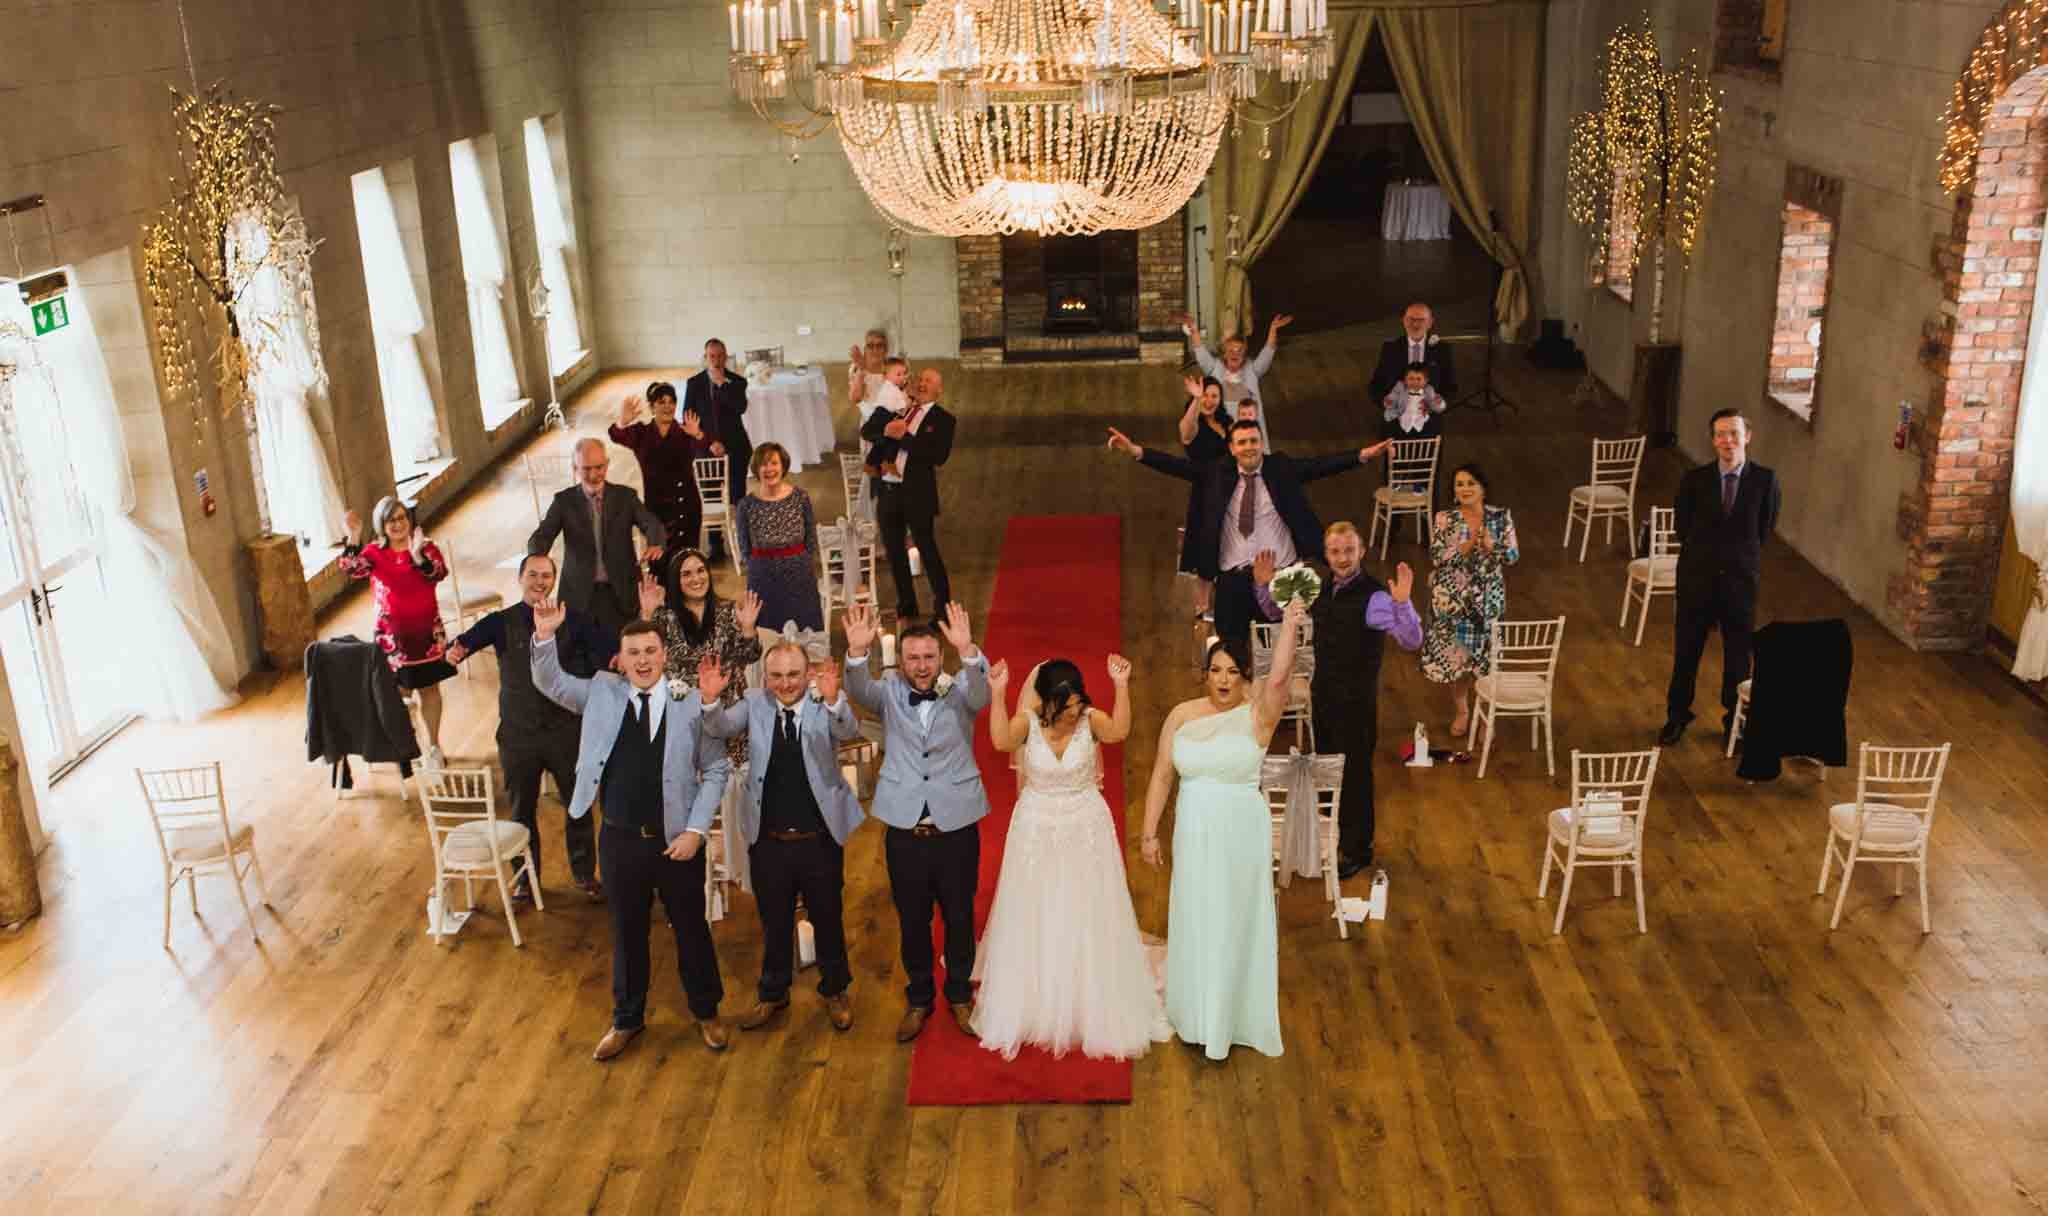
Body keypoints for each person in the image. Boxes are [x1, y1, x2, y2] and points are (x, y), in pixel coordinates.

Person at [532, 606, 731, 1059]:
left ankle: (707, 1012)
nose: (643, 660)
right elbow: (553, 683)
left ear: (664, 656)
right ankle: (627, 1020)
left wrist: (697, 831)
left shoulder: (689, 702)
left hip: (676, 841)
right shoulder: (602, 692)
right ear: (619, 659)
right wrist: (544, 639)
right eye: (633, 652)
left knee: (691, 931)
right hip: (620, 840)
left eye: (650, 651)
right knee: (626, 932)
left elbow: (717, 769)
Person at [973, 654, 1170, 1061]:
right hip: (1036, 828)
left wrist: (1121, 685)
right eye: (1064, 705)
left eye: (1077, 702)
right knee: (1039, 908)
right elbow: (999, 741)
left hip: (1085, 827)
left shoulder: (1090, 721)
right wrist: (997, 694)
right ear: (1044, 701)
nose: (1072, 712)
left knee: (1086, 907)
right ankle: (1037, 998)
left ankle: (1090, 997)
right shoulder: (1027, 723)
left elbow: (1120, 732)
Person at [1139, 601, 1307, 1060]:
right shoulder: (1181, 715)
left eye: (1234, 671)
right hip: (1193, 831)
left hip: (1240, 833)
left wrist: (1290, 626)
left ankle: (1232, 1016)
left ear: (1245, 676)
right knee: (1197, 914)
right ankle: (1196, 1012)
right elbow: (1160, 775)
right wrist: (1149, 832)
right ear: (1206, 673)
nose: (1224, 679)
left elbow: (1279, 678)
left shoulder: (1260, 714)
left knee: (1234, 918)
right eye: (1216, 670)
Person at [841, 601, 990, 1043]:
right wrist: (855, 653)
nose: (921, 666)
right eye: (913, 659)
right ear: (901, 660)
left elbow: (981, 695)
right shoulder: (887, 691)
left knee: (960, 916)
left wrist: (969, 651)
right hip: (905, 829)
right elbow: (858, 689)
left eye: (928, 657)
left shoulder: (961, 689)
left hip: (957, 826)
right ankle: (920, 997)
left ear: (939, 658)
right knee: (911, 919)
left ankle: (960, 994)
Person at [1107, 418, 1389, 643]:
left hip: (1284, 577)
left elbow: (1321, 465)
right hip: (1233, 581)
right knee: (1232, 651)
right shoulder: (1217, 472)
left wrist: (1362, 455)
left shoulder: (1280, 467)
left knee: (1283, 650)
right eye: (1242, 442)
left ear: (1262, 442)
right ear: (1231, 448)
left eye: (1254, 441)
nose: (1249, 447)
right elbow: (1178, 467)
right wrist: (1136, 452)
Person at [701, 645, 864, 1034]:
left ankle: (835, 989)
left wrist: (834, 700)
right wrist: (709, 700)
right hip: (769, 839)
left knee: (827, 917)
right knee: (773, 921)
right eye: (777, 675)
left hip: (818, 837)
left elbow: (850, 730)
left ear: (807, 674)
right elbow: (719, 727)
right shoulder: (754, 702)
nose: (785, 683)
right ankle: (773, 993)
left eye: (793, 675)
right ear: (765, 677)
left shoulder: (822, 701)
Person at [1252, 522, 1422, 875]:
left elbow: (1411, 640)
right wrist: (1264, 585)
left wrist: (1403, 606)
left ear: (1361, 552)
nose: (1342, 558)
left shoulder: (1374, 597)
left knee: (1356, 776)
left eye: (1348, 550)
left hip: (1357, 704)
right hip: (1324, 697)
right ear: (1326, 555)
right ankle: (1331, 838)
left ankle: (1357, 850)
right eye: (1334, 551)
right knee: (1326, 769)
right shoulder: (1322, 588)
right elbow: (1278, 614)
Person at [446, 553, 618, 902]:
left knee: (579, 805)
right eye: (533, 575)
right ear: (520, 578)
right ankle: (525, 879)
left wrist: (617, 659)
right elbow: (465, 642)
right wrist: (455, 649)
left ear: (554, 579)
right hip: (518, 735)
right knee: (521, 811)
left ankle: (584, 874)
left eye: (547, 575)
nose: (540, 581)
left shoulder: (576, 620)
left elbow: (610, 652)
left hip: (566, 732)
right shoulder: (500, 622)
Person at [1661, 408, 1782, 746]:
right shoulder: (1694, 480)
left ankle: (1735, 721)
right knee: (1686, 652)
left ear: (1748, 436)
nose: (1727, 440)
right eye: (1720, 434)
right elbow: (1682, 529)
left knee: (1738, 656)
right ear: (1713, 440)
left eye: (1734, 433)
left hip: (1739, 582)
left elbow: (1764, 529)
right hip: (1697, 580)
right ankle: (1676, 716)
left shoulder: (1765, 480)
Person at [339, 496, 456, 767]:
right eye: (391, 519)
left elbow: (438, 573)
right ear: (381, 524)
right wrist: (354, 536)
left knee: (429, 691)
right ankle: (405, 746)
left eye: (402, 517)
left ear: (410, 520)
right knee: (399, 697)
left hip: (426, 636)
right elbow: (351, 569)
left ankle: (435, 747)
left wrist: (416, 556)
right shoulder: (373, 553)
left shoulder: (426, 548)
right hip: (392, 641)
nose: (398, 524)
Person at [1419, 465, 1522, 740]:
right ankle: (1462, 711)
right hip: (1452, 601)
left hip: (1488, 601)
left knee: (1486, 662)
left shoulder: (1501, 518)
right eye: (1459, 484)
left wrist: (1493, 547)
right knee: (1458, 662)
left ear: (1483, 488)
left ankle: (1484, 715)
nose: (1464, 488)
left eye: (1470, 483)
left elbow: (1512, 557)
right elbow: (1436, 557)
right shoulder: (1445, 518)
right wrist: (1462, 550)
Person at [528, 437, 667, 634]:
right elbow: (542, 536)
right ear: (575, 468)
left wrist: (656, 542)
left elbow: (650, 523)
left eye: (599, 467)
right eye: (586, 469)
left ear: (607, 465)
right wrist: (536, 557)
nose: (593, 474)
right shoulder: (563, 501)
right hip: (578, 594)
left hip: (621, 591)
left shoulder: (626, 497)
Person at [641, 550, 764, 764]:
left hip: (725, 712)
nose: (696, 578)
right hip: (683, 714)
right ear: (675, 581)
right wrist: (646, 615)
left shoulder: (727, 612)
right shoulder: (665, 617)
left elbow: (749, 657)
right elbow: (644, 658)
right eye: (686, 574)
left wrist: (748, 629)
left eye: (700, 571)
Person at [862, 366, 956, 623]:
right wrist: (886, 431)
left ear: (939, 390)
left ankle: (942, 608)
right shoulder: (898, 407)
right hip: (889, 490)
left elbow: (938, 456)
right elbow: (868, 429)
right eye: (921, 379)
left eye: (929, 381)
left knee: (927, 549)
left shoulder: (943, 419)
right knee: (894, 550)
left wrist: (904, 437)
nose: (923, 383)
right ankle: (906, 604)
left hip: (916, 494)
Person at [734, 442, 824, 632]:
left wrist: (803, 562)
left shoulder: (801, 497)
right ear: (756, 469)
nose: (769, 469)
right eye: (763, 464)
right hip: (763, 578)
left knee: (804, 632)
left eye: (774, 463)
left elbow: (810, 539)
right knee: (767, 634)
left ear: (783, 466)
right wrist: (757, 569)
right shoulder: (746, 505)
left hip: (799, 575)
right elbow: (745, 547)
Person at [609, 380, 705, 551]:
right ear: (652, 407)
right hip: (657, 509)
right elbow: (616, 435)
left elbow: (706, 447)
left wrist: (697, 434)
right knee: (660, 560)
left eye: (671, 402)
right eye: (661, 402)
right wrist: (622, 421)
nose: (668, 407)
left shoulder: (686, 432)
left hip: (686, 505)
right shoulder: (641, 433)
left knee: (687, 559)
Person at [1185, 311, 1292, 449]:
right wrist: (1193, 329)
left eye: (1239, 351)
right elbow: (1200, 350)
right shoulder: (1214, 368)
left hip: (1250, 433)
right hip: (1224, 437)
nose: (1235, 354)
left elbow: (1268, 352)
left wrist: (1273, 330)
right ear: (1224, 353)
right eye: (1231, 350)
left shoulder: (1252, 370)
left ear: (1245, 354)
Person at [683, 337, 754, 532]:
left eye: (720, 356)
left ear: (726, 357)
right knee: (711, 498)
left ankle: (741, 537)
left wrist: (723, 386)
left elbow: (740, 407)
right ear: (705, 358)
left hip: (736, 447)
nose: (716, 360)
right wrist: (709, 442)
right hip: (706, 448)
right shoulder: (694, 383)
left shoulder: (738, 382)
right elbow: (688, 418)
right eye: (711, 356)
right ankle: (716, 544)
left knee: (737, 495)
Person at [1176, 374, 1229, 621]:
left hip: (1228, 488)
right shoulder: (1194, 422)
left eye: (1214, 396)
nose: (1210, 400)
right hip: (1206, 493)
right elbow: (1186, 433)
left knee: (1226, 542)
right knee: (1206, 545)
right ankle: (1202, 603)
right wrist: (1196, 401)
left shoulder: (1226, 422)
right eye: (1206, 395)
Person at [1370, 301, 1458, 404]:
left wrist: (1439, 403)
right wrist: (1385, 402)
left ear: (1430, 323)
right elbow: (1376, 385)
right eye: (1411, 319)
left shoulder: (1442, 349)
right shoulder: (1390, 348)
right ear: (1404, 321)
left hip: (1429, 415)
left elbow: (1450, 387)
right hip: (1396, 415)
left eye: (1421, 320)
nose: (1415, 324)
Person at [1381, 362, 1448, 440]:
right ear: (1405, 379)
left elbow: (1436, 407)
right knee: (1394, 433)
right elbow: (1393, 397)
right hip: (1402, 421)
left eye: (1419, 379)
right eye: (1411, 379)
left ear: (1426, 381)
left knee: (1430, 431)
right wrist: (1389, 401)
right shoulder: (1400, 387)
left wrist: (1439, 403)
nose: (1415, 382)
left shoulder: (1429, 390)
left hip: (1421, 423)